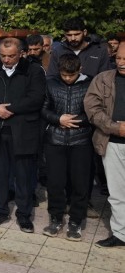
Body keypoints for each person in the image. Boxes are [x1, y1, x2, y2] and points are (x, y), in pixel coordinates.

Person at [0, 38, 46, 232]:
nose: (6, 60)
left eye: (11, 56)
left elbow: (36, 98)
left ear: (21, 53)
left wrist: (10, 109)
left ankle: (24, 215)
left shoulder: (33, 71)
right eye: (3, 56)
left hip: (23, 131)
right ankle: (0, 211)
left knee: (24, 176)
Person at [40, 54, 93, 240]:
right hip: (55, 140)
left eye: (72, 75)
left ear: (79, 70)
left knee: (80, 183)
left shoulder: (90, 84)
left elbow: (94, 111)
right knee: (55, 183)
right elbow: (44, 109)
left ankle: (76, 221)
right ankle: (55, 218)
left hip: (81, 141)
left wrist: (75, 121)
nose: (68, 79)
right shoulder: (51, 83)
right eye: (64, 75)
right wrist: (58, 119)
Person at [84, 45, 125, 247]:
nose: (121, 63)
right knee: (117, 193)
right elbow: (92, 109)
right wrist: (116, 128)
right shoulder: (103, 79)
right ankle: (120, 234)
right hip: (112, 143)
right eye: (118, 58)